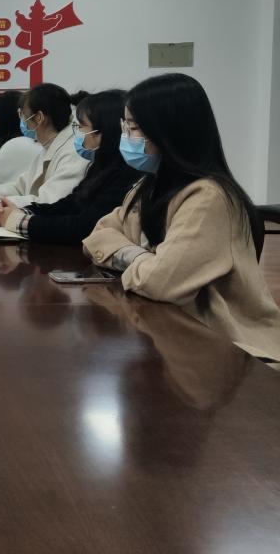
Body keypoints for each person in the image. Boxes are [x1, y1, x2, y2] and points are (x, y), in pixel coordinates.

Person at [83, 73, 280, 360]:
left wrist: (125, 256)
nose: (125, 136)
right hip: (174, 333)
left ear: (169, 132)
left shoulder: (208, 197)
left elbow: (160, 282)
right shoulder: (148, 185)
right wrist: (140, 257)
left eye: (134, 127)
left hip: (230, 349)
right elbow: (98, 234)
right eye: (125, 126)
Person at [0, 89, 141, 244]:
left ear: (105, 132)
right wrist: (24, 211)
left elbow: (85, 227)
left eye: (81, 127)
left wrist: (19, 221)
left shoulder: (126, 174)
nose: (77, 133)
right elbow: (71, 203)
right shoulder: (101, 166)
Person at [0, 82, 89, 213]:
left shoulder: (73, 152)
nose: (21, 121)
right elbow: (20, 187)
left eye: (23, 114)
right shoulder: (48, 146)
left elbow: (49, 202)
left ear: (39, 118)